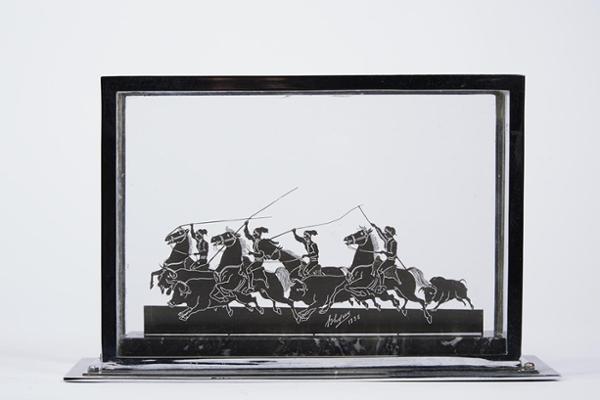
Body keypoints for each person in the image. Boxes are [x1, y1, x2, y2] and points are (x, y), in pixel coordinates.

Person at [242, 221, 270, 294]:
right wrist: (246, 226)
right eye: (253, 233)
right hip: (255, 260)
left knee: (248, 270)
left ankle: (251, 287)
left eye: (255, 233)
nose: (253, 234)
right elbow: (247, 235)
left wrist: (252, 253)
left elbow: (261, 254)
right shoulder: (254, 240)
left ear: (258, 234)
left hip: (259, 261)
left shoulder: (261, 243)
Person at [371, 223, 398, 292]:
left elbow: (392, 254)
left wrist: (384, 252)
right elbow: (381, 235)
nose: (384, 234)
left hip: (390, 260)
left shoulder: (393, 242)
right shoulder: (387, 240)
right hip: (388, 259)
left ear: (389, 234)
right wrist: (376, 227)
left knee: (379, 271)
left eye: (386, 232)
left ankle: (381, 285)